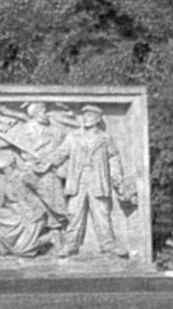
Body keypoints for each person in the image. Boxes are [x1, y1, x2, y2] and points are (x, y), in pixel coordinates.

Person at [42, 105, 131, 257]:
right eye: (84, 115)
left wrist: (117, 178)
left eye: (89, 115)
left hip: (98, 180)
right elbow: (60, 153)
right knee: (74, 214)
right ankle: (70, 245)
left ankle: (108, 245)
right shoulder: (73, 137)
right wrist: (46, 161)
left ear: (98, 119)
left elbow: (113, 158)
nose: (85, 118)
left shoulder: (105, 138)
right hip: (77, 181)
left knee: (102, 214)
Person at [0, 157, 55, 257]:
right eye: (0, 170)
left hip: (32, 216)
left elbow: (42, 189)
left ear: (12, 166)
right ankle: (1, 245)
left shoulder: (24, 176)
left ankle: (50, 237)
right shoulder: (3, 180)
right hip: (13, 213)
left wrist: (52, 212)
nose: (2, 172)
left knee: (21, 251)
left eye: (4, 169)